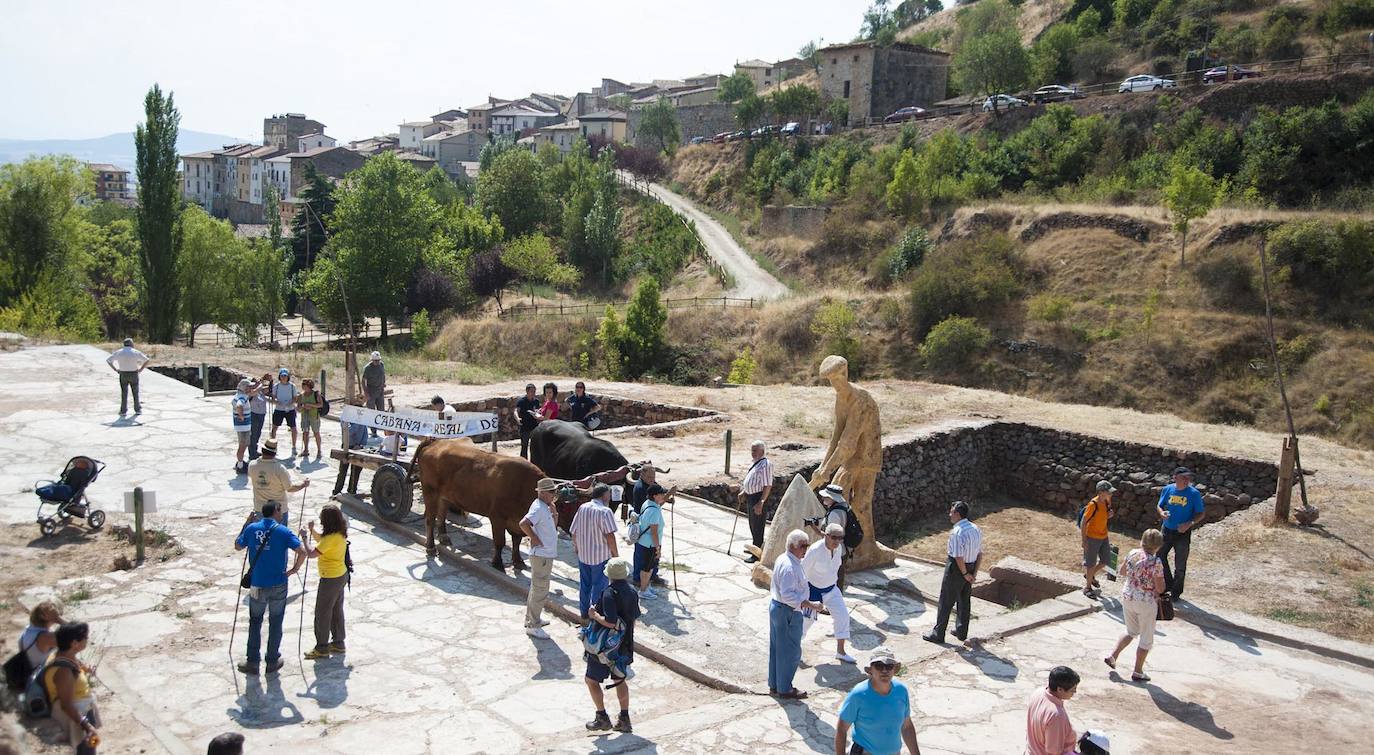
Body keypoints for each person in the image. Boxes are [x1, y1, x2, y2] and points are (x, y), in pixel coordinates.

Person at [808, 355, 894, 571]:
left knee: (859, 502)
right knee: (837, 494)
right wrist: (822, 466)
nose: (834, 385)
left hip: (866, 457)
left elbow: (848, 443)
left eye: (836, 379)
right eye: (830, 381)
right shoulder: (841, 397)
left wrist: (827, 470)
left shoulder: (860, 400)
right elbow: (836, 435)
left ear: (845, 374)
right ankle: (845, 547)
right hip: (852, 456)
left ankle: (865, 549)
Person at [234, 502, 307, 674]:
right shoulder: (283, 531)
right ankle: (272, 660)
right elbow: (302, 551)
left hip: (257, 583)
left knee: (255, 621)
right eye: (280, 511)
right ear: (275, 512)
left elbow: (237, 546)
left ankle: (252, 661)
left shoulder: (252, 529)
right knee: (276, 621)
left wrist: (246, 523)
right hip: (279, 583)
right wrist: (294, 569)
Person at [584, 557, 640, 734]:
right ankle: (624, 719)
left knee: (591, 680)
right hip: (624, 646)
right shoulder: (632, 591)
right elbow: (634, 617)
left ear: (609, 575)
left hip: (604, 648)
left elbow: (610, 621)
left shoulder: (609, 593)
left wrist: (594, 615)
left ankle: (602, 717)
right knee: (619, 680)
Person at [769, 529, 825, 700]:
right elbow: (789, 596)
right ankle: (785, 689)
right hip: (788, 612)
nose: (805, 549)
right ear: (793, 546)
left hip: (778, 608)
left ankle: (775, 685)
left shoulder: (785, 559)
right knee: (791, 652)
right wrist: (811, 605)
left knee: (778, 649)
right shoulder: (789, 567)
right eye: (803, 546)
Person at [835, 646, 921, 755]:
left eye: (889, 666)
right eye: (879, 666)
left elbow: (906, 726)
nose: (884, 670)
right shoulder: (858, 694)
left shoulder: (901, 691)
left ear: (894, 669)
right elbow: (841, 729)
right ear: (871, 669)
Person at [1106, 528, 1166, 682]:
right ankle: (1138, 671)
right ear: (1158, 546)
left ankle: (1113, 656)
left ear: (1142, 541)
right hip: (1146, 601)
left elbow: (1122, 571)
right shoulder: (1156, 562)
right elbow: (1160, 588)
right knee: (1146, 638)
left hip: (1128, 596)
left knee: (1131, 631)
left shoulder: (1132, 553)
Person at [923, 501, 982, 645]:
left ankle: (938, 633)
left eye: (951, 512)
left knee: (946, 601)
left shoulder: (957, 532)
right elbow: (980, 553)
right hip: (971, 566)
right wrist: (973, 573)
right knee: (964, 600)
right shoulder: (976, 529)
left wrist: (963, 573)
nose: (949, 515)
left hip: (956, 569)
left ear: (957, 514)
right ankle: (961, 631)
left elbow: (958, 556)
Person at [803, 523, 855, 664]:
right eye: (834, 538)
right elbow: (802, 573)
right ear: (826, 535)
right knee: (806, 623)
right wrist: (803, 598)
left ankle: (841, 652)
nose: (837, 541)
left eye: (840, 538)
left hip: (831, 589)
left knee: (843, 617)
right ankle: (795, 650)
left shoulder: (838, 549)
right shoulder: (814, 550)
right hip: (813, 591)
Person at [302, 505, 349, 660]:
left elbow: (311, 553)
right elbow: (322, 541)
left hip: (330, 579)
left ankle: (321, 647)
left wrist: (303, 537)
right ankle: (338, 642)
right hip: (341, 575)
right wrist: (312, 530)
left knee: (322, 612)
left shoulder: (330, 538)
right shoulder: (339, 534)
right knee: (336, 610)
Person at [44, 622, 101, 750]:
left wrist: (84, 669)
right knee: (87, 750)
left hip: (84, 710)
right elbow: (66, 705)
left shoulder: (63, 655)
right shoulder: (64, 672)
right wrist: (87, 726)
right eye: (86, 638)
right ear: (74, 644)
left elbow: (75, 664)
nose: (87, 640)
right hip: (78, 719)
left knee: (92, 747)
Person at [570, 483, 619, 621]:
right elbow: (610, 536)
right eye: (609, 495)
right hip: (600, 557)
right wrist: (615, 555)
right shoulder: (605, 511)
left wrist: (577, 547)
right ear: (605, 495)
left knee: (584, 586)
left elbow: (573, 531)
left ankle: (584, 613)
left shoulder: (582, 508)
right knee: (599, 588)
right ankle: (595, 617)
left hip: (584, 556)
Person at [520, 478, 561, 639]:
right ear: (542, 493)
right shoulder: (538, 508)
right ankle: (533, 625)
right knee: (540, 590)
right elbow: (523, 523)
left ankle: (531, 618)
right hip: (541, 555)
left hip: (545, 554)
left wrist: (555, 513)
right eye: (551, 492)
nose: (554, 495)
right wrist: (534, 538)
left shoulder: (544, 506)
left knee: (537, 588)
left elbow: (552, 527)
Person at [1156, 466, 1204, 601]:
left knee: (1180, 564)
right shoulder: (1167, 489)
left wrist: (1189, 523)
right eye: (1184, 477)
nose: (1187, 480)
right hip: (1166, 529)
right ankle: (1168, 584)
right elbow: (1160, 505)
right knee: (1159, 557)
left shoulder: (1194, 494)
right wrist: (1161, 513)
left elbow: (1201, 513)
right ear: (1175, 478)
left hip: (1182, 533)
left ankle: (1176, 593)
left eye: (1188, 478)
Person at [248, 439, 309, 527]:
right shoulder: (279, 469)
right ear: (274, 454)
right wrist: (303, 484)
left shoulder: (252, 465)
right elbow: (290, 488)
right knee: (280, 538)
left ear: (262, 450)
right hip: (278, 512)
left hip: (260, 509)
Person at [1026, 666, 1080, 755]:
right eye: (1072, 690)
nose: (1074, 693)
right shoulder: (1056, 716)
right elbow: (1053, 751)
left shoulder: (1038, 693)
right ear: (1060, 689)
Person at [630, 467, 667, 586]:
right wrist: (658, 548)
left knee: (646, 560)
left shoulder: (649, 492)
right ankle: (641, 581)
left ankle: (650, 576)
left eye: (654, 477)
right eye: (650, 477)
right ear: (642, 475)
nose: (653, 480)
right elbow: (654, 531)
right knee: (646, 561)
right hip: (648, 537)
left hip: (645, 534)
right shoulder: (641, 488)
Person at [739, 440, 774, 564]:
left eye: (755, 450)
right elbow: (753, 481)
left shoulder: (766, 464)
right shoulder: (756, 463)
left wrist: (761, 502)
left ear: (762, 451)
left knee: (758, 526)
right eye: (752, 450)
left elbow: (767, 485)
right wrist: (744, 491)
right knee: (752, 524)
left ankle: (757, 554)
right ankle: (755, 547)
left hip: (758, 498)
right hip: (751, 497)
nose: (752, 453)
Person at [1081, 480, 1116, 598]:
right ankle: (1088, 587)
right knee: (1090, 564)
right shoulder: (1093, 504)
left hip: (1103, 536)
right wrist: (1084, 541)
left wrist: (1109, 514)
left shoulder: (1106, 501)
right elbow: (1084, 522)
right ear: (1101, 492)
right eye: (1108, 492)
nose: (1111, 494)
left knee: (1105, 561)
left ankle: (1089, 576)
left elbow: (1105, 515)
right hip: (1092, 537)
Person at [635, 484, 669, 600]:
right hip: (650, 544)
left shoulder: (648, 504)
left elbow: (663, 501)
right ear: (655, 496)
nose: (663, 495)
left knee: (649, 567)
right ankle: (643, 590)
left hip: (644, 542)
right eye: (661, 494)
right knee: (647, 568)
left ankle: (647, 586)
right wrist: (657, 548)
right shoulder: (654, 511)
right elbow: (654, 532)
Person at [17, 601, 63, 672]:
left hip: (27, 671)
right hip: (39, 677)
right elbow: (75, 634)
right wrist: (59, 620)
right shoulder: (45, 637)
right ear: (45, 617)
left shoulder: (28, 630)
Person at [106, 338, 149, 415]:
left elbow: (109, 360)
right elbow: (146, 360)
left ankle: (123, 410)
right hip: (134, 373)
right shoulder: (135, 352)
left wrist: (115, 369)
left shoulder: (119, 352)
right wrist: (141, 369)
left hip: (123, 374)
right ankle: (137, 409)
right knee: (135, 392)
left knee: (124, 392)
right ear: (132, 344)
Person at [268, 368, 300, 458]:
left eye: (285, 376)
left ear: (288, 376)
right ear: (280, 376)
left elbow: (295, 397)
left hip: (290, 409)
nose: (283, 377)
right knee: (274, 428)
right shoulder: (276, 386)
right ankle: (273, 446)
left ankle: (294, 447)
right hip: (279, 409)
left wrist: (289, 404)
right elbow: (273, 397)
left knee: (293, 428)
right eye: (282, 376)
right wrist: (277, 402)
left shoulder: (292, 386)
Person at [297, 378, 323, 462]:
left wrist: (310, 405)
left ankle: (319, 450)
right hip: (304, 416)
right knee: (305, 433)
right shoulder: (301, 395)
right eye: (302, 384)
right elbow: (298, 407)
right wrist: (303, 407)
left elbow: (320, 404)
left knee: (316, 433)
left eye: (304, 384)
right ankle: (305, 450)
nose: (303, 386)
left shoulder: (316, 394)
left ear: (309, 386)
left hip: (314, 416)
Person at [363, 351, 386, 438]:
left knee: (381, 410)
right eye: (375, 361)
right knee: (371, 412)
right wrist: (366, 393)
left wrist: (383, 382)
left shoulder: (382, 365)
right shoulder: (368, 368)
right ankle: (373, 431)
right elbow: (363, 380)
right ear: (372, 360)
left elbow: (383, 374)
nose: (377, 362)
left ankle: (383, 429)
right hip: (371, 391)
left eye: (378, 360)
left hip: (380, 391)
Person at [248, 374, 271, 460]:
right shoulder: (251, 392)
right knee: (253, 434)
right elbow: (257, 390)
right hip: (254, 414)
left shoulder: (260, 391)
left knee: (257, 434)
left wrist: (270, 381)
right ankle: (252, 453)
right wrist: (261, 382)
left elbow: (268, 389)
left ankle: (254, 450)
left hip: (261, 414)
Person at [232, 379, 253, 475]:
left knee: (243, 445)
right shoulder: (242, 397)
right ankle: (240, 465)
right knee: (242, 446)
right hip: (243, 427)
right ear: (244, 388)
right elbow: (239, 405)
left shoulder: (238, 395)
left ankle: (240, 463)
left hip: (241, 427)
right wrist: (241, 416)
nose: (251, 388)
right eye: (249, 387)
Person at [516, 383, 541, 459]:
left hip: (534, 427)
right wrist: (517, 418)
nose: (533, 393)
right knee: (524, 446)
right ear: (527, 391)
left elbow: (538, 410)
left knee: (535, 446)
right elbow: (516, 411)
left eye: (534, 391)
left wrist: (538, 414)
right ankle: (523, 463)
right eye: (532, 391)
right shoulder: (521, 401)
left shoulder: (536, 401)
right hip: (524, 427)